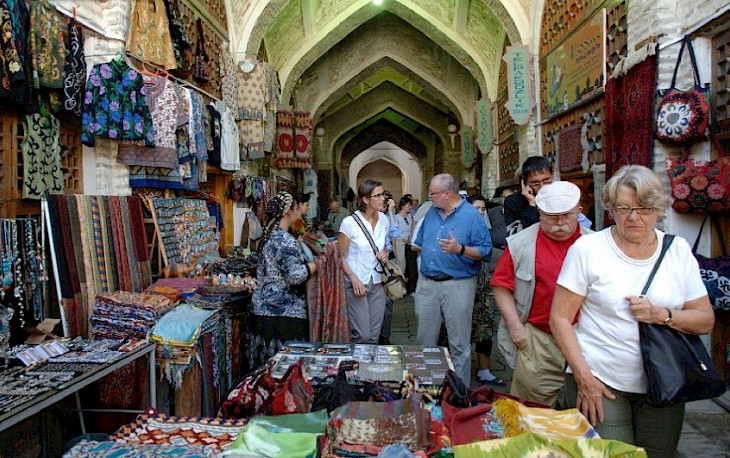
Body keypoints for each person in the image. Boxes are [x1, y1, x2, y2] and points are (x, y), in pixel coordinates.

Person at [550, 165, 714, 455]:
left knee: (658, 453)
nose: (634, 217)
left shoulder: (677, 251)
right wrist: (584, 378)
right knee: (614, 453)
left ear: (659, 209)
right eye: (624, 208)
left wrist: (661, 315)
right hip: (601, 379)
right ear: (610, 210)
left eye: (644, 208)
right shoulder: (588, 250)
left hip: (664, 381)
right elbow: (560, 318)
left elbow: (704, 320)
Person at [491, 181, 591, 406]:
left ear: (579, 211)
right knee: (532, 409)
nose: (559, 223)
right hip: (539, 339)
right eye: (551, 217)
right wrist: (515, 327)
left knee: (583, 408)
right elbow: (501, 285)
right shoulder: (521, 243)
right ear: (540, 213)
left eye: (566, 216)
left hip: (585, 337)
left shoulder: (594, 244)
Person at [413, 174, 492, 385]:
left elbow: (486, 251)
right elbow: (420, 242)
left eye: (432, 193)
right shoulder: (432, 212)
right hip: (428, 284)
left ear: (447, 194)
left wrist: (461, 249)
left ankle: (459, 392)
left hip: (458, 285)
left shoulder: (472, 216)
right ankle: (427, 389)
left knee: (458, 343)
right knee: (425, 341)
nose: (429, 196)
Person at [247, 191, 318, 370]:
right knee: (284, 372)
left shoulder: (269, 237)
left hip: (264, 312)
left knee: (266, 372)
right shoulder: (284, 240)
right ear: (288, 212)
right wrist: (315, 265)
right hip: (284, 315)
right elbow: (294, 275)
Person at [338, 180, 391, 344]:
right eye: (378, 195)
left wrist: (385, 254)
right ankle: (357, 360)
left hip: (377, 281)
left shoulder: (384, 220)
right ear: (366, 199)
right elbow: (340, 256)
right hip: (357, 283)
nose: (383, 198)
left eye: (383, 194)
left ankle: (371, 361)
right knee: (363, 335)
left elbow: (383, 247)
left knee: (374, 335)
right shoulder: (349, 223)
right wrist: (353, 278)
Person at [468, 195, 505, 386]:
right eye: (476, 208)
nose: (481, 212)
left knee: (485, 326)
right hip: (463, 285)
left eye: (483, 209)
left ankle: (484, 370)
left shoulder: (486, 231)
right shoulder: (460, 229)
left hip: (483, 285)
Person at [504, 156, 554, 229]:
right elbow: (516, 233)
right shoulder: (513, 202)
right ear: (525, 181)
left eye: (546, 181)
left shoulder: (561, 195)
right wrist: (532, 204)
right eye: (536, 183)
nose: (542, 186)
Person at [487, 187, 515, 269]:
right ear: (500, 198)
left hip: (513, 252)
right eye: (504, 197)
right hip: (496, 252)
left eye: (509, 198)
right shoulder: (492, 212)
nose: (506, 200)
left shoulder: (518, 213)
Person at [393, 196, 413, 274]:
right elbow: (394, 235)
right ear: (403, 206)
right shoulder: (396, 218)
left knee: (410, 264)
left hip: (409, 242)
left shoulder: (410, 216)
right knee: (401, 263)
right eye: (409, 205)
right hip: (400, 242)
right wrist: (394, 249)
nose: (410, 207)